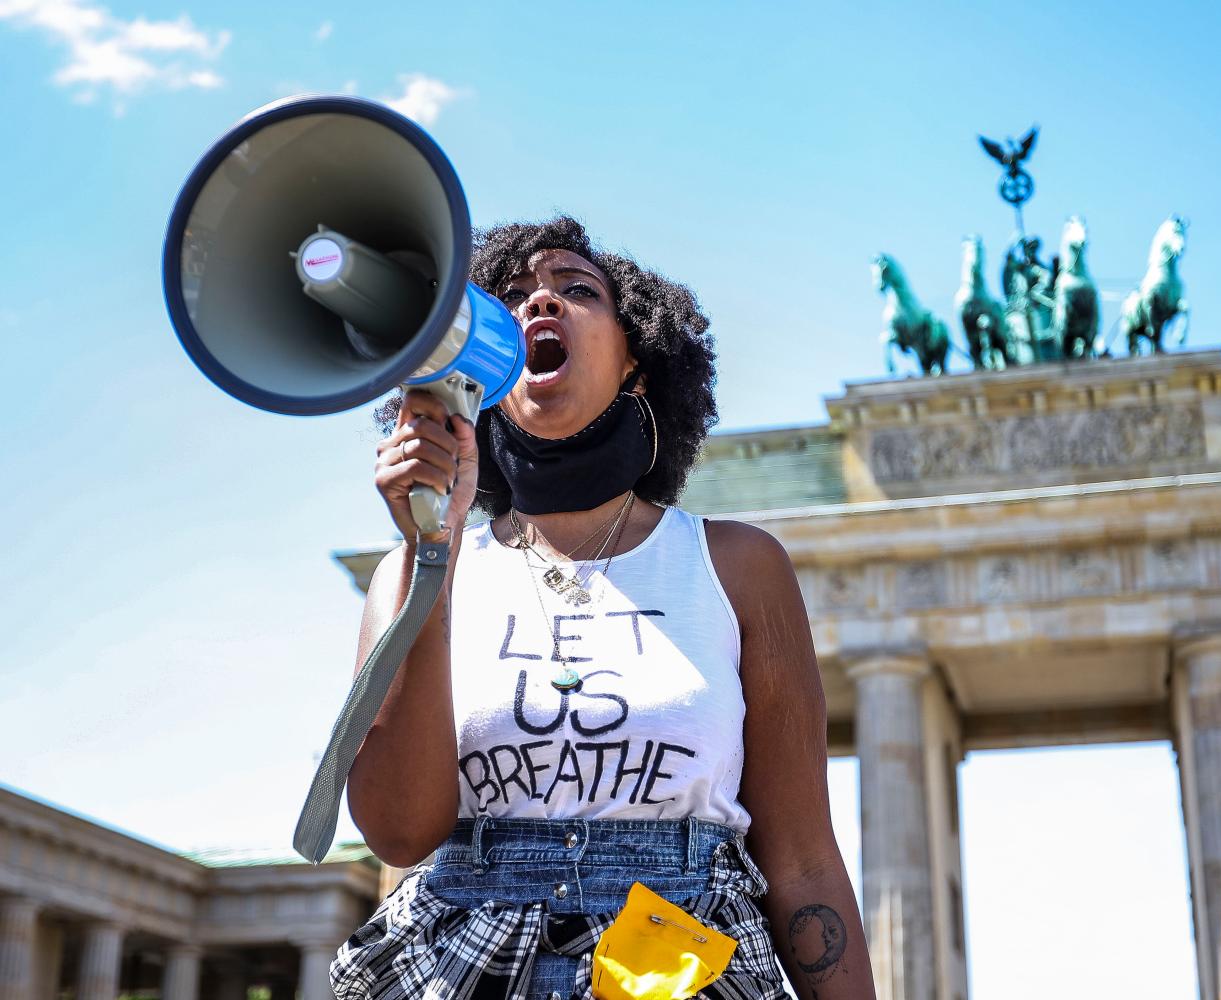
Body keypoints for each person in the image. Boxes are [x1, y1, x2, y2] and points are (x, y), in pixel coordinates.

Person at [331, 216, 876, 1000]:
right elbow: (399, 831)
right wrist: (432, 551)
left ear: (638, 366)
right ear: (476, 368)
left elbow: (803, 858)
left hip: (685, 964)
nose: (540, 304)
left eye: (576, 291)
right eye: (510, 298)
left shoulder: (737, 566)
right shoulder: (412, 568)